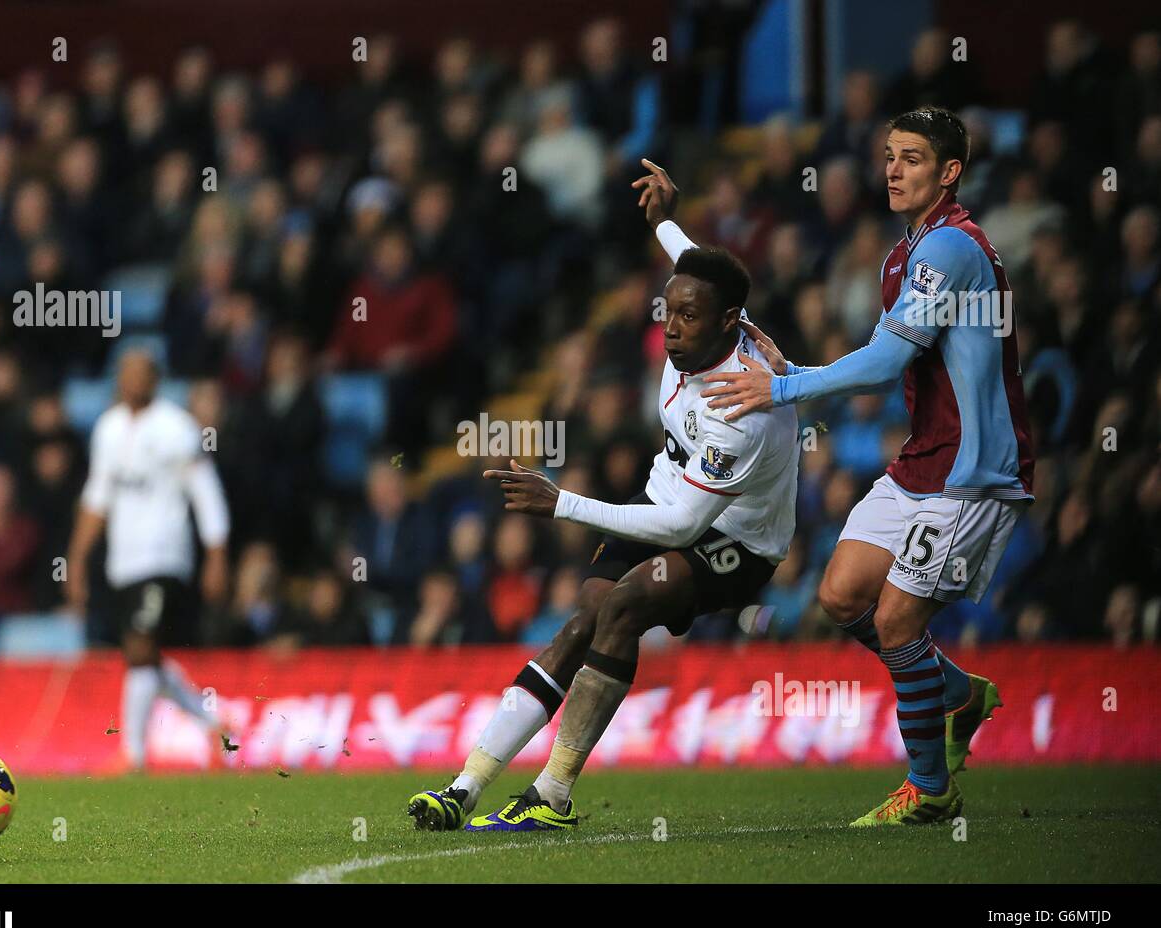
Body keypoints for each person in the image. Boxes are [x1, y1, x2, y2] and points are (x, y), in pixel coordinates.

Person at [406, 173, 800, 831]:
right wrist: (663, 221)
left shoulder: (745, 406)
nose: (672, 328)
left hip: (736, 538)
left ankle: (551, 795)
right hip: (663, 493)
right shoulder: (703, 308)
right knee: (582, 618)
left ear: (731, 323)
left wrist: (563, 503)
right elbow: (690, 263)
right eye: (667, 310)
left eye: (688, 317)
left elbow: (682, 526)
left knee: (625, 605)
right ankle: (464, 787)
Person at [697, 109, 1032, 825]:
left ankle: (930, 789)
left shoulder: (951, 249)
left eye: (912, 158)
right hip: (924, 458)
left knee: (899, 619)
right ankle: (960, 696)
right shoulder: (903, 254)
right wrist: (801, 368)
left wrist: (782, 387)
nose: (893, 168)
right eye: (888, 155)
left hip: (972, 468)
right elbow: (885, 359)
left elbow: (885, 364)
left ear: (949, 172)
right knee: (843, 596)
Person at [66, 350, 231, 771]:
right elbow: (96, 499)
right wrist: (78, 560)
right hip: (123, 562)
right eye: (125, 372)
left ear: (156, 379)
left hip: (164, 555)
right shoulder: (108, 428)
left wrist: (216, 555)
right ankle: (212, 722)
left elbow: (205, 492)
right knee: (145, 656)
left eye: (140, 373)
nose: (132, 381)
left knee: (139, 646)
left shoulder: (176, 427)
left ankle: (132, 755)